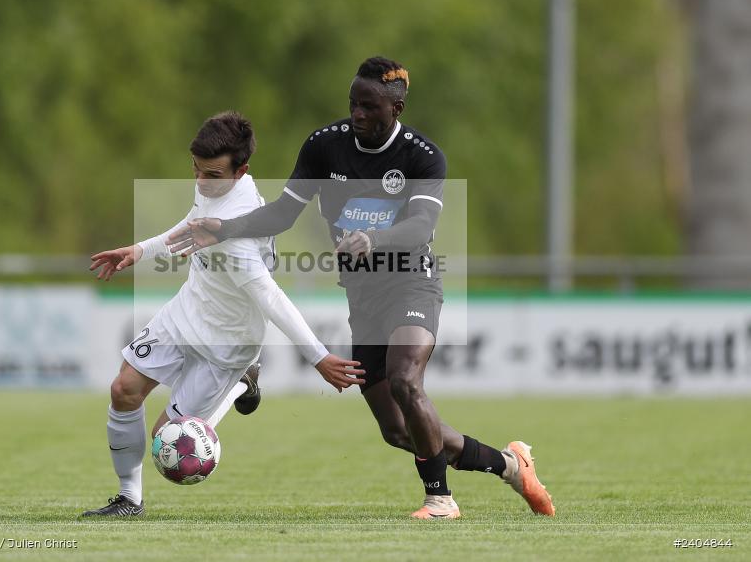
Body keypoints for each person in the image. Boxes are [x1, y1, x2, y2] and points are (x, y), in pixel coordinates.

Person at [166, 58, 555, 519]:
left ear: (397, 106)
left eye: (369, 106)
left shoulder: (422, 157)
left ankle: (440, 501)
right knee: (397, 429)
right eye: (353, 103)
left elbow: (421, 224)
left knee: (408, 381)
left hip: (412, 285)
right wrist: (224, 228)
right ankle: (510, 465)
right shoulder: (324, 146)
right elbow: (282, 214)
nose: (358, 114)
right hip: (363, 298)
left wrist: (374, 238)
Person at [82, 111, 364, 517]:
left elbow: (271, 298)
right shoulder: (217, 184)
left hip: (228, 341)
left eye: (211, 174)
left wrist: (318, 357)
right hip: (187, 310)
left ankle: (241, 381)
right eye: (196, 169)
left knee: (168, 440)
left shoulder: (239, 233)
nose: (201, 181)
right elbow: (191, 223)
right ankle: (129, 499)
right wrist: (140, 251)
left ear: (241, 171)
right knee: (123, 389)